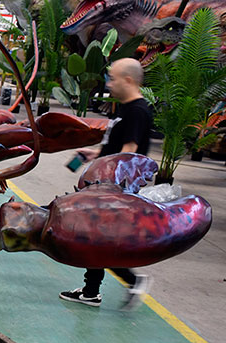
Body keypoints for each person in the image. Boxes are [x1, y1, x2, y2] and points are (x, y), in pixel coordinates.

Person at [59, 58, 153, 311]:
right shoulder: (124, 109)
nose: (108, 84)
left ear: (129, 80)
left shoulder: (137, 111)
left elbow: (129, 153)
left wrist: (112, 187)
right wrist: (93, 155)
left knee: (100, 239)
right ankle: (91, 291)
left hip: (115, 188)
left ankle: (133, 280)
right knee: (95, 237)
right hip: (105, 183)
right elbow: (113, 147)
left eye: (112, 78)